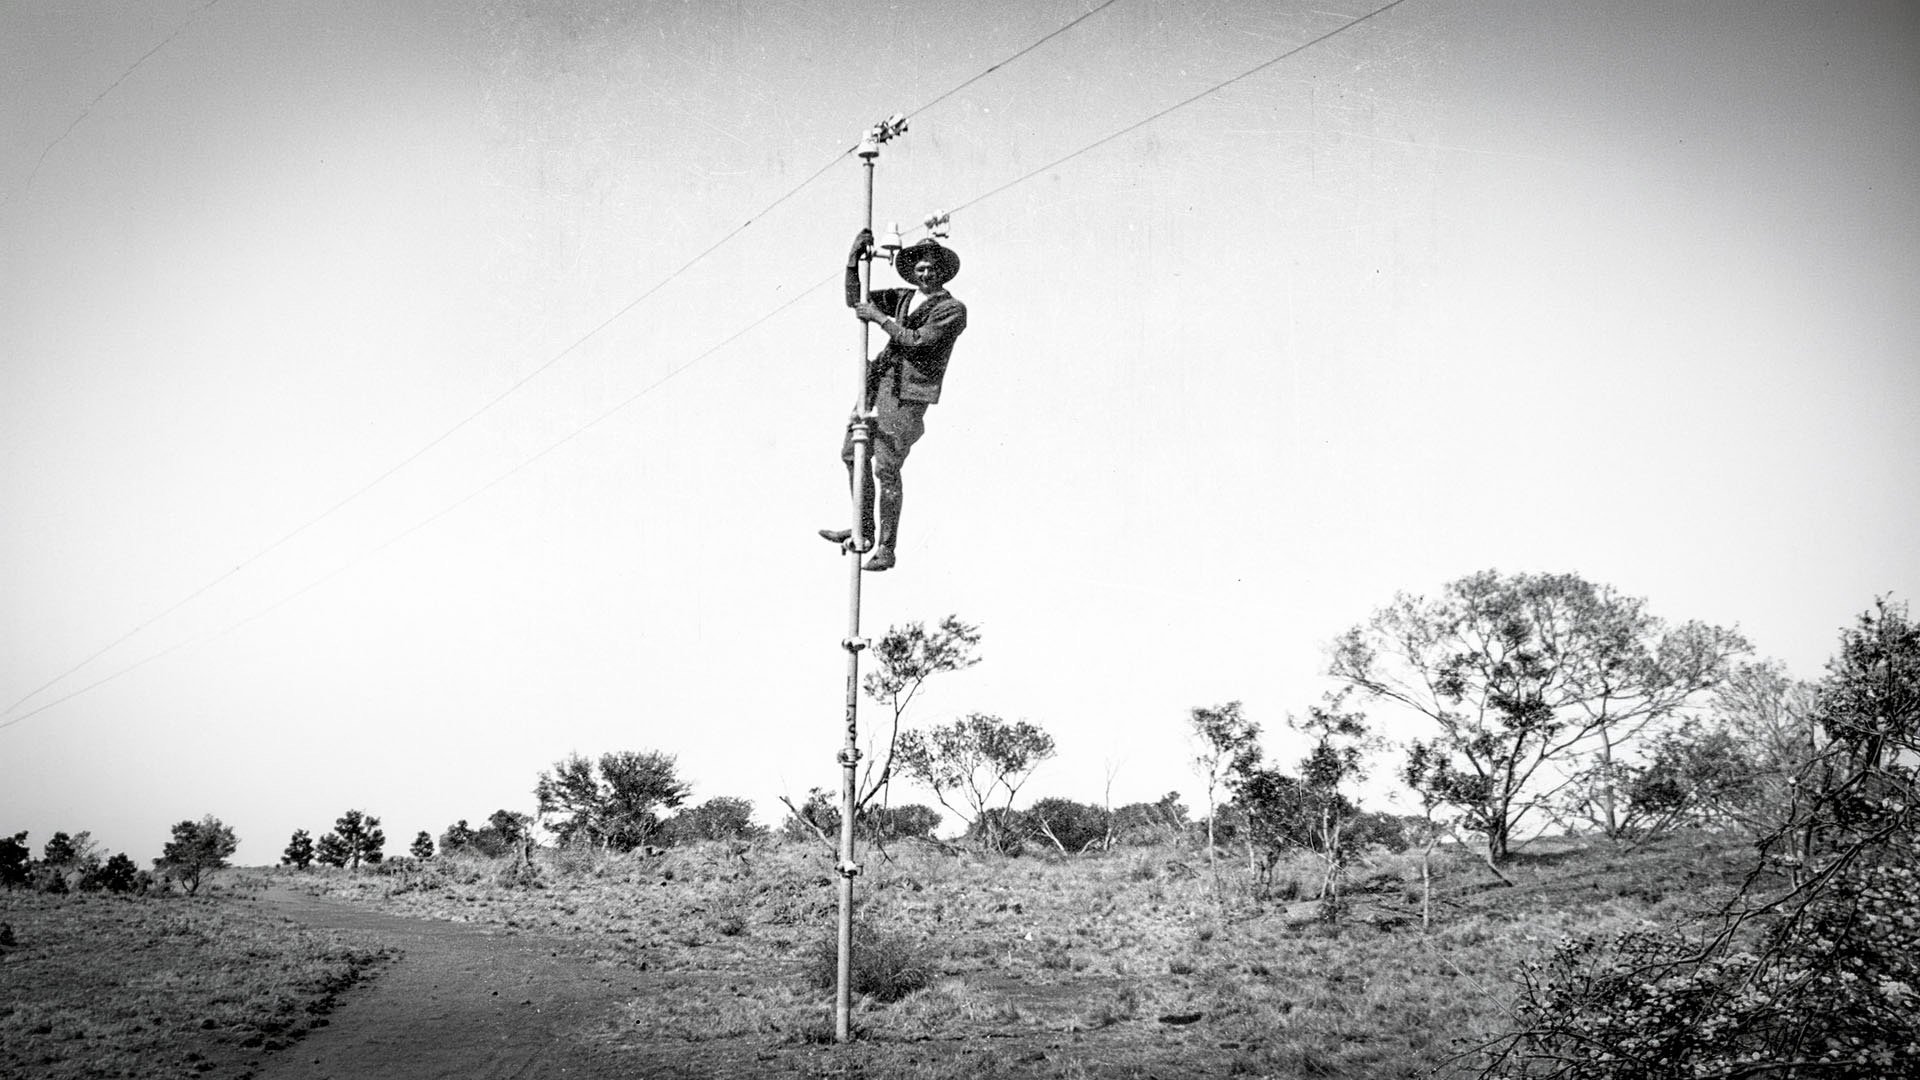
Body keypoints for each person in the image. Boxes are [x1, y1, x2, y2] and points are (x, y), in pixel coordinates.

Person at [819, 227, 967, 571]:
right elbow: (858, 302)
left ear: (942, 271)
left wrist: (880, 319)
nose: (925, 274)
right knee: (851, 453)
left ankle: (886, 548)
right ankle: (863, 527)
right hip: (877, 386)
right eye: (920, 269)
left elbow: (917, 342)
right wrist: (853, 262)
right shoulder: (902, 298)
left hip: (906, 396)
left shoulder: (952, 309)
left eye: (931, 269)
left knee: (886, 467)